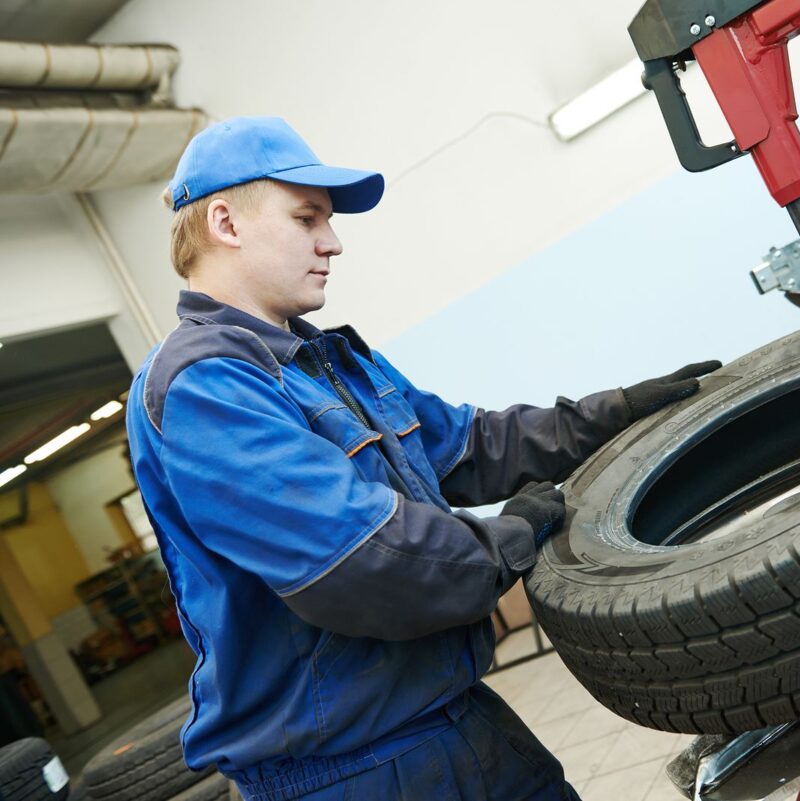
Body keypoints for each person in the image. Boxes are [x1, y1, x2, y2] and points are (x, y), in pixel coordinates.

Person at [124, 116, 719, 801]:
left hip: (452, 715)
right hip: (346, 771)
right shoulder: (203, 384)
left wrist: (609, 412)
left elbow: (466, 447)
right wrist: (513, 535)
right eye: (307, 217)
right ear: (225, 222)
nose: (333, 241)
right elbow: (361, 559)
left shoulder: (329, 361)